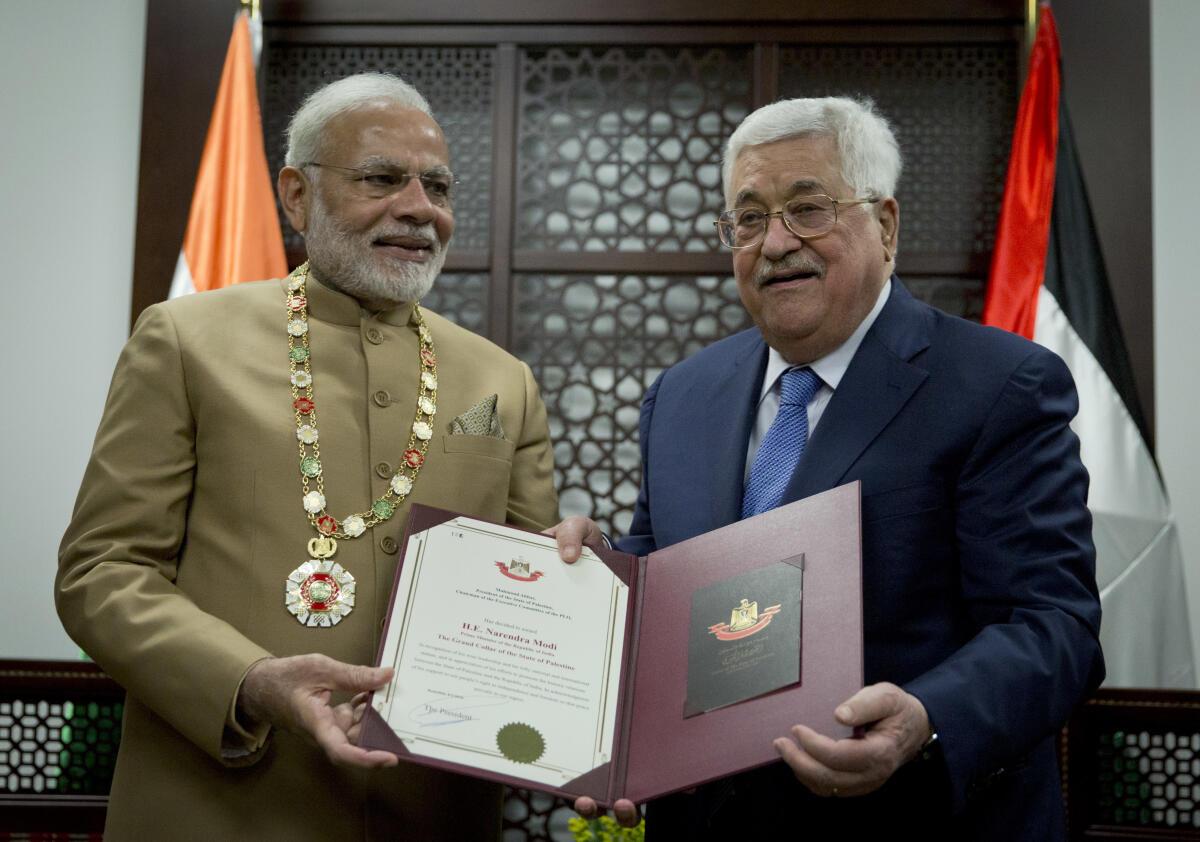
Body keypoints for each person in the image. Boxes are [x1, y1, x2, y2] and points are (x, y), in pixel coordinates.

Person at [552, 96, 1104, 839]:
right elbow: (664, 578)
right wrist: (602, 578)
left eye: (808, 209)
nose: (775, 242)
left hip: (907, 818)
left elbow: (1053, 625)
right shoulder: (683, 394)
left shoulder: (999, 385)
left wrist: (928, 718)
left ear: (885, 224)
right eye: (748, 218)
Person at [57, 73, 557, 840]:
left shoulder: (503, 381)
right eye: (383, 179)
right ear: (296, 195)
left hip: (429, 816)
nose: (420, 209)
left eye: (438, 187)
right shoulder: (185, 342)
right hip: (224, 805)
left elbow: (533, 601)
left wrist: (571, 567)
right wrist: (251, 682)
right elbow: (101, 572)